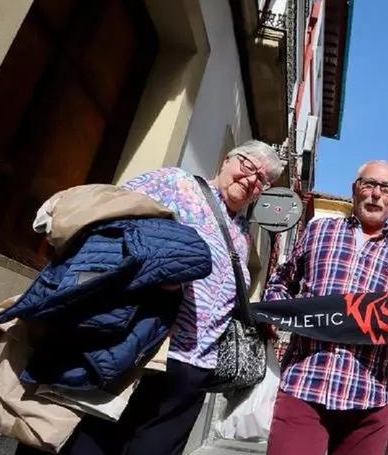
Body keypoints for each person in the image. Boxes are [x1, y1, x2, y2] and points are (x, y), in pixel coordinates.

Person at [28, 141, 284, 455]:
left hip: (195, 370)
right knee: (93, 444)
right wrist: (154, 272)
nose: (252, 179)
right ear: (227, 159)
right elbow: (109, 220)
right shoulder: (175, 184)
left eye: (263, 180)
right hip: (142, 353)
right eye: (247, 166)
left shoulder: (243, 234)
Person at [264, 160, 388, 455]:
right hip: (304, 383)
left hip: (370, 396)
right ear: (355, 190)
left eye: (385, 188)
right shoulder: (318, 230)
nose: (376, 194)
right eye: (368, 184)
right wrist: (272, 314)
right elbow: (280, 283)